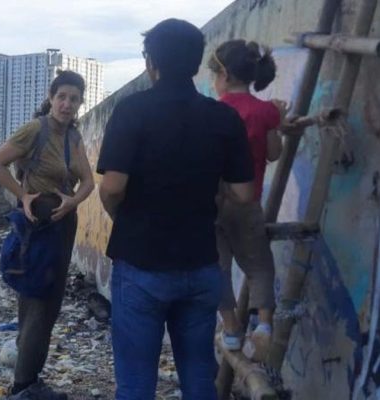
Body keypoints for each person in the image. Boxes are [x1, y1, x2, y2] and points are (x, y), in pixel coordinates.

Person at [97, 19, 256, 399]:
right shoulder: (223, 117)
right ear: (197, 63)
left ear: (151, 61)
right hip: (201, 263)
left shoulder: (132, 110)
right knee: (199, 377)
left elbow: (112, 187)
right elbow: (244, 193)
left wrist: (125, 218)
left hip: (141, 262)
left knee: (136, 383)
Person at [0, 70, 95, 399]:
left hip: (63, 225)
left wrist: (72, 201)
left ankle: (28, 379)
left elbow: (88, 182)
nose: (67, 104)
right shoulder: (35, 130)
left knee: (48, 304)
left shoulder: (73, 137)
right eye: (62, 96)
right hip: (37, 229)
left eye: (74, 99)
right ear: (51, 98)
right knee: (37, 300)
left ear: (81, 103)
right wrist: (21, 196)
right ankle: (24, 385)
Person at [207, 39, 289, 359]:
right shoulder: (266, 111)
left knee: (217, 267)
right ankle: (264, 327)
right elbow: (273, 153)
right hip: (248, 202)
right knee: (258, 265)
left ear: (224, 75)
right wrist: (278, 122)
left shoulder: (213, 112)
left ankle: (230, 328)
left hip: (212, 204)